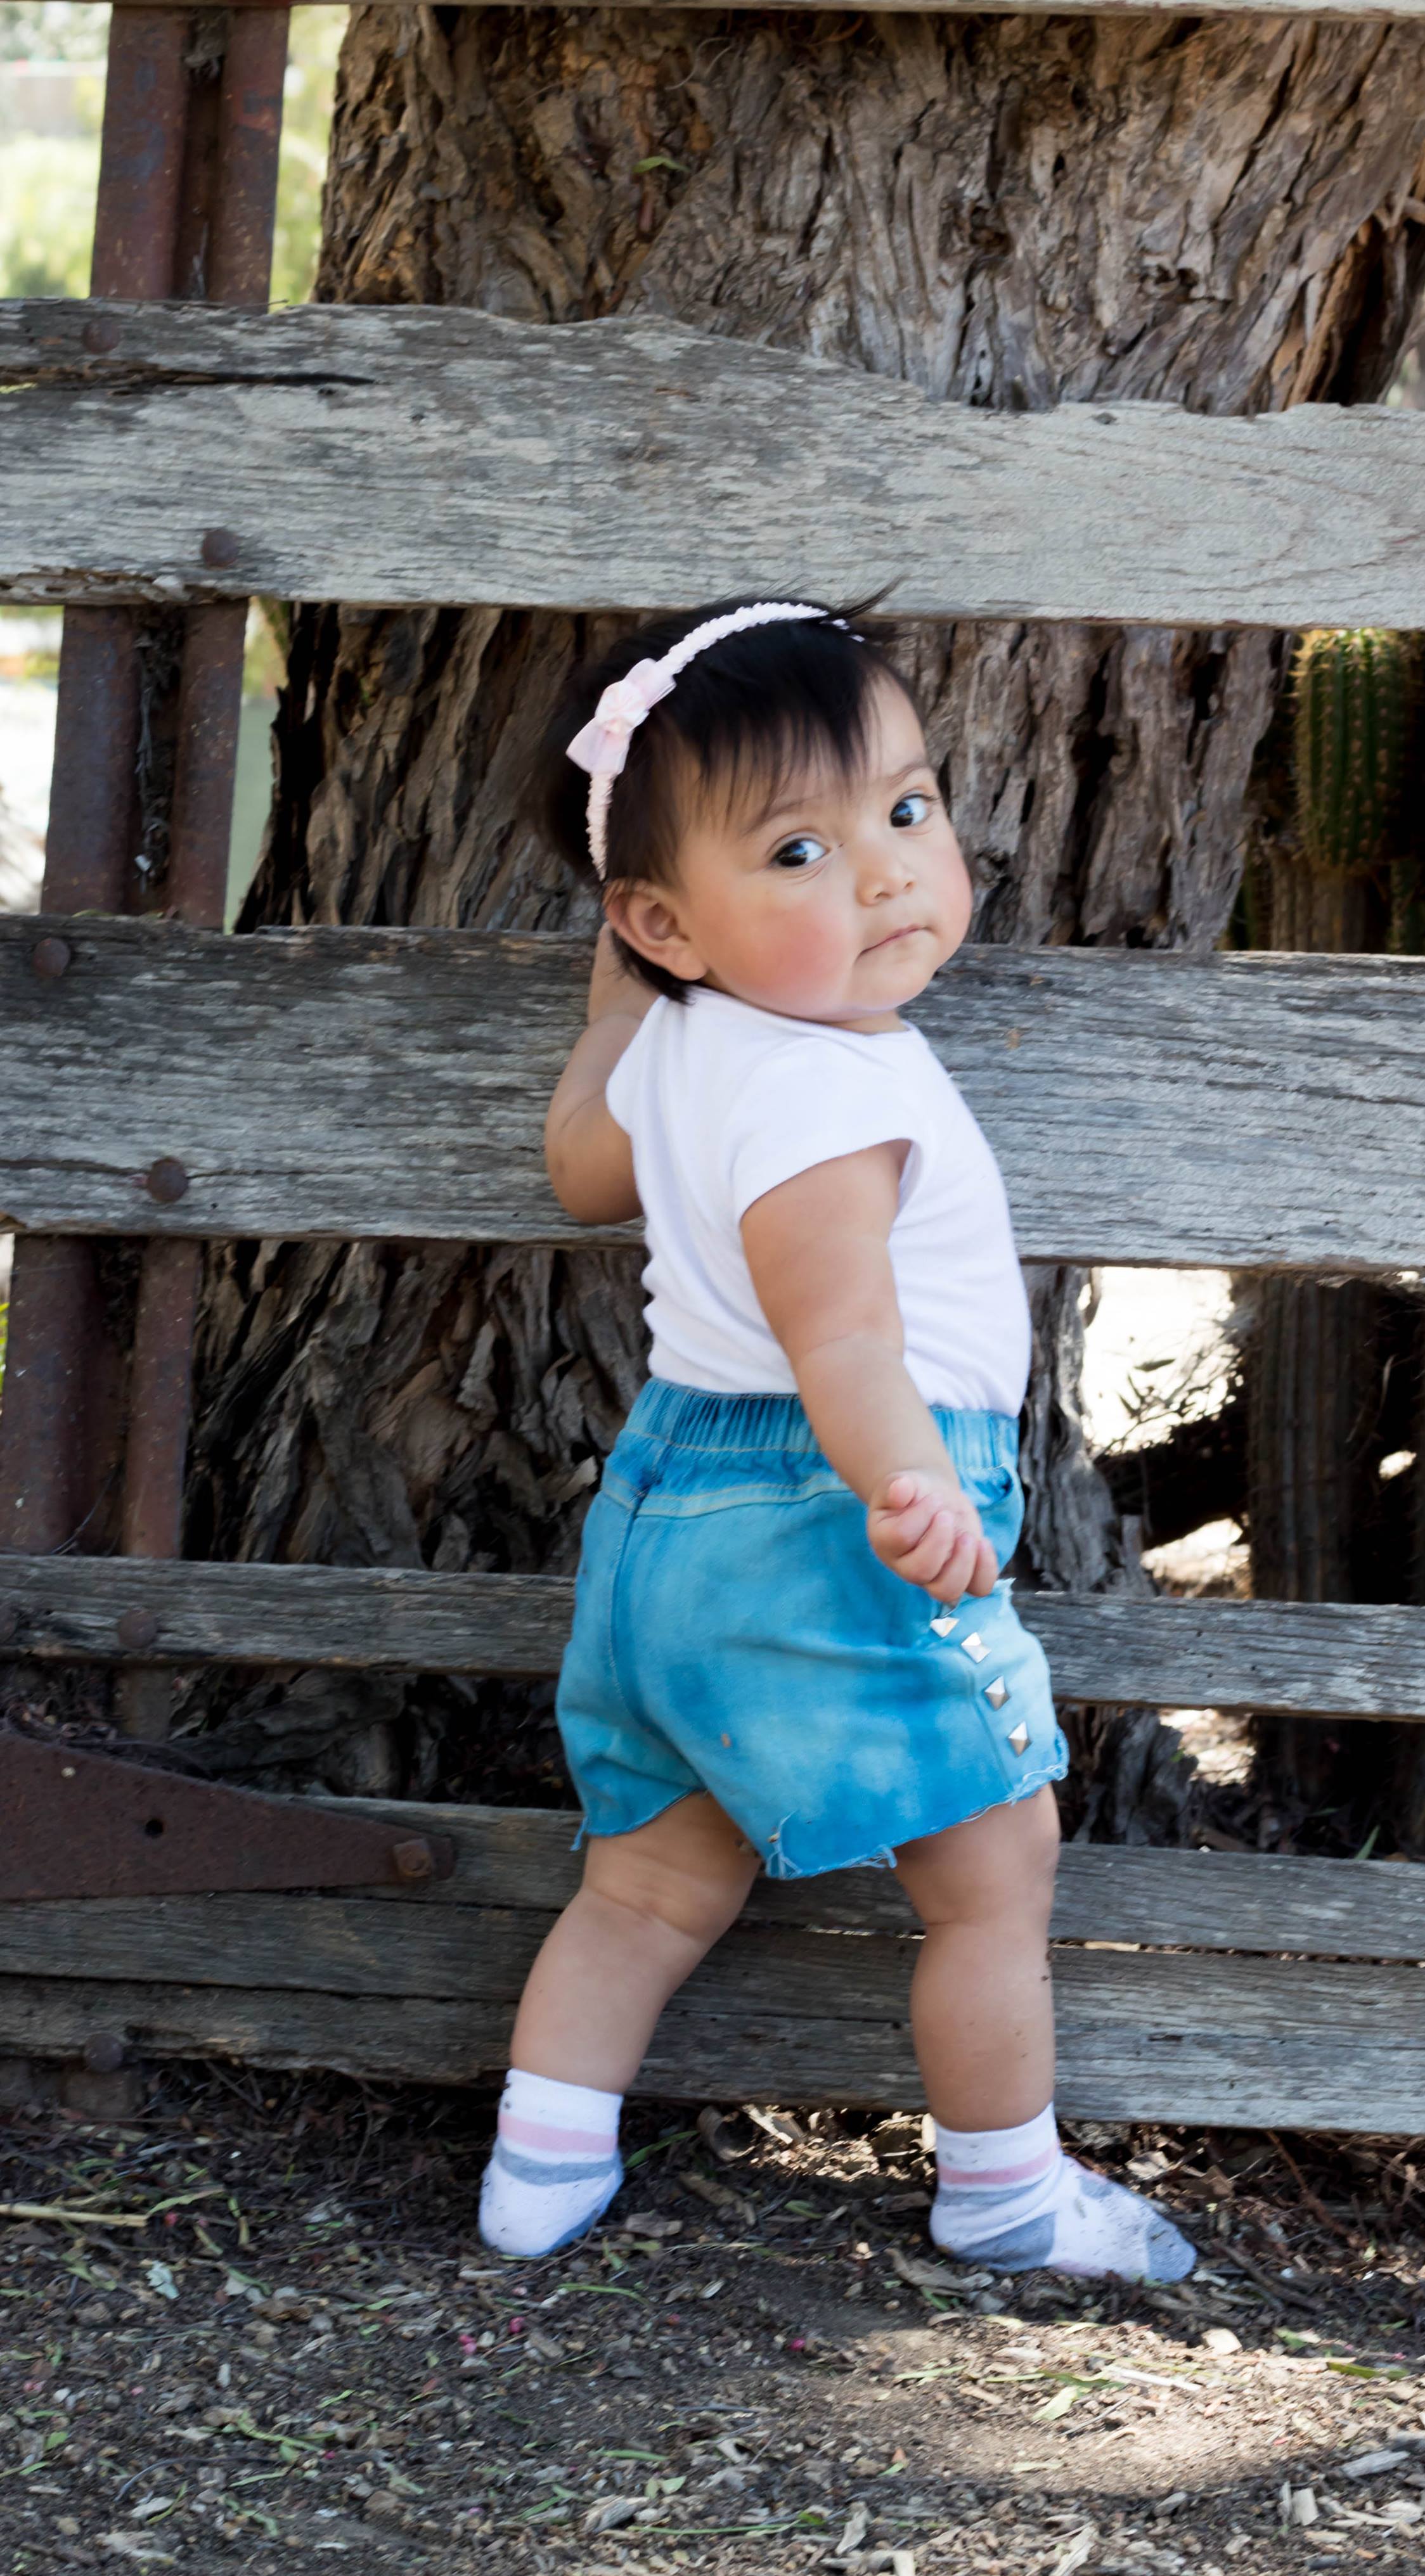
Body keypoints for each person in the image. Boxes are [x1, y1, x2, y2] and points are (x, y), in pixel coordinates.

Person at [478, 598, 1194, 2287]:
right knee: (993, 1864)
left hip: (668, 1529)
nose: (883, 873)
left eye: (905, 809)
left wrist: (635, 975)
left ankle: (541, 2156)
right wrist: (907, 1483)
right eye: (798, 849)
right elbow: (842, 1337)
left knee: (652, 1885)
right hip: (834, 1505)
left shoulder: (681, 1052)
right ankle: (1008, 2191)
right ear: (667, 914)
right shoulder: (834, 1094)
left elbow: (581, 1159)